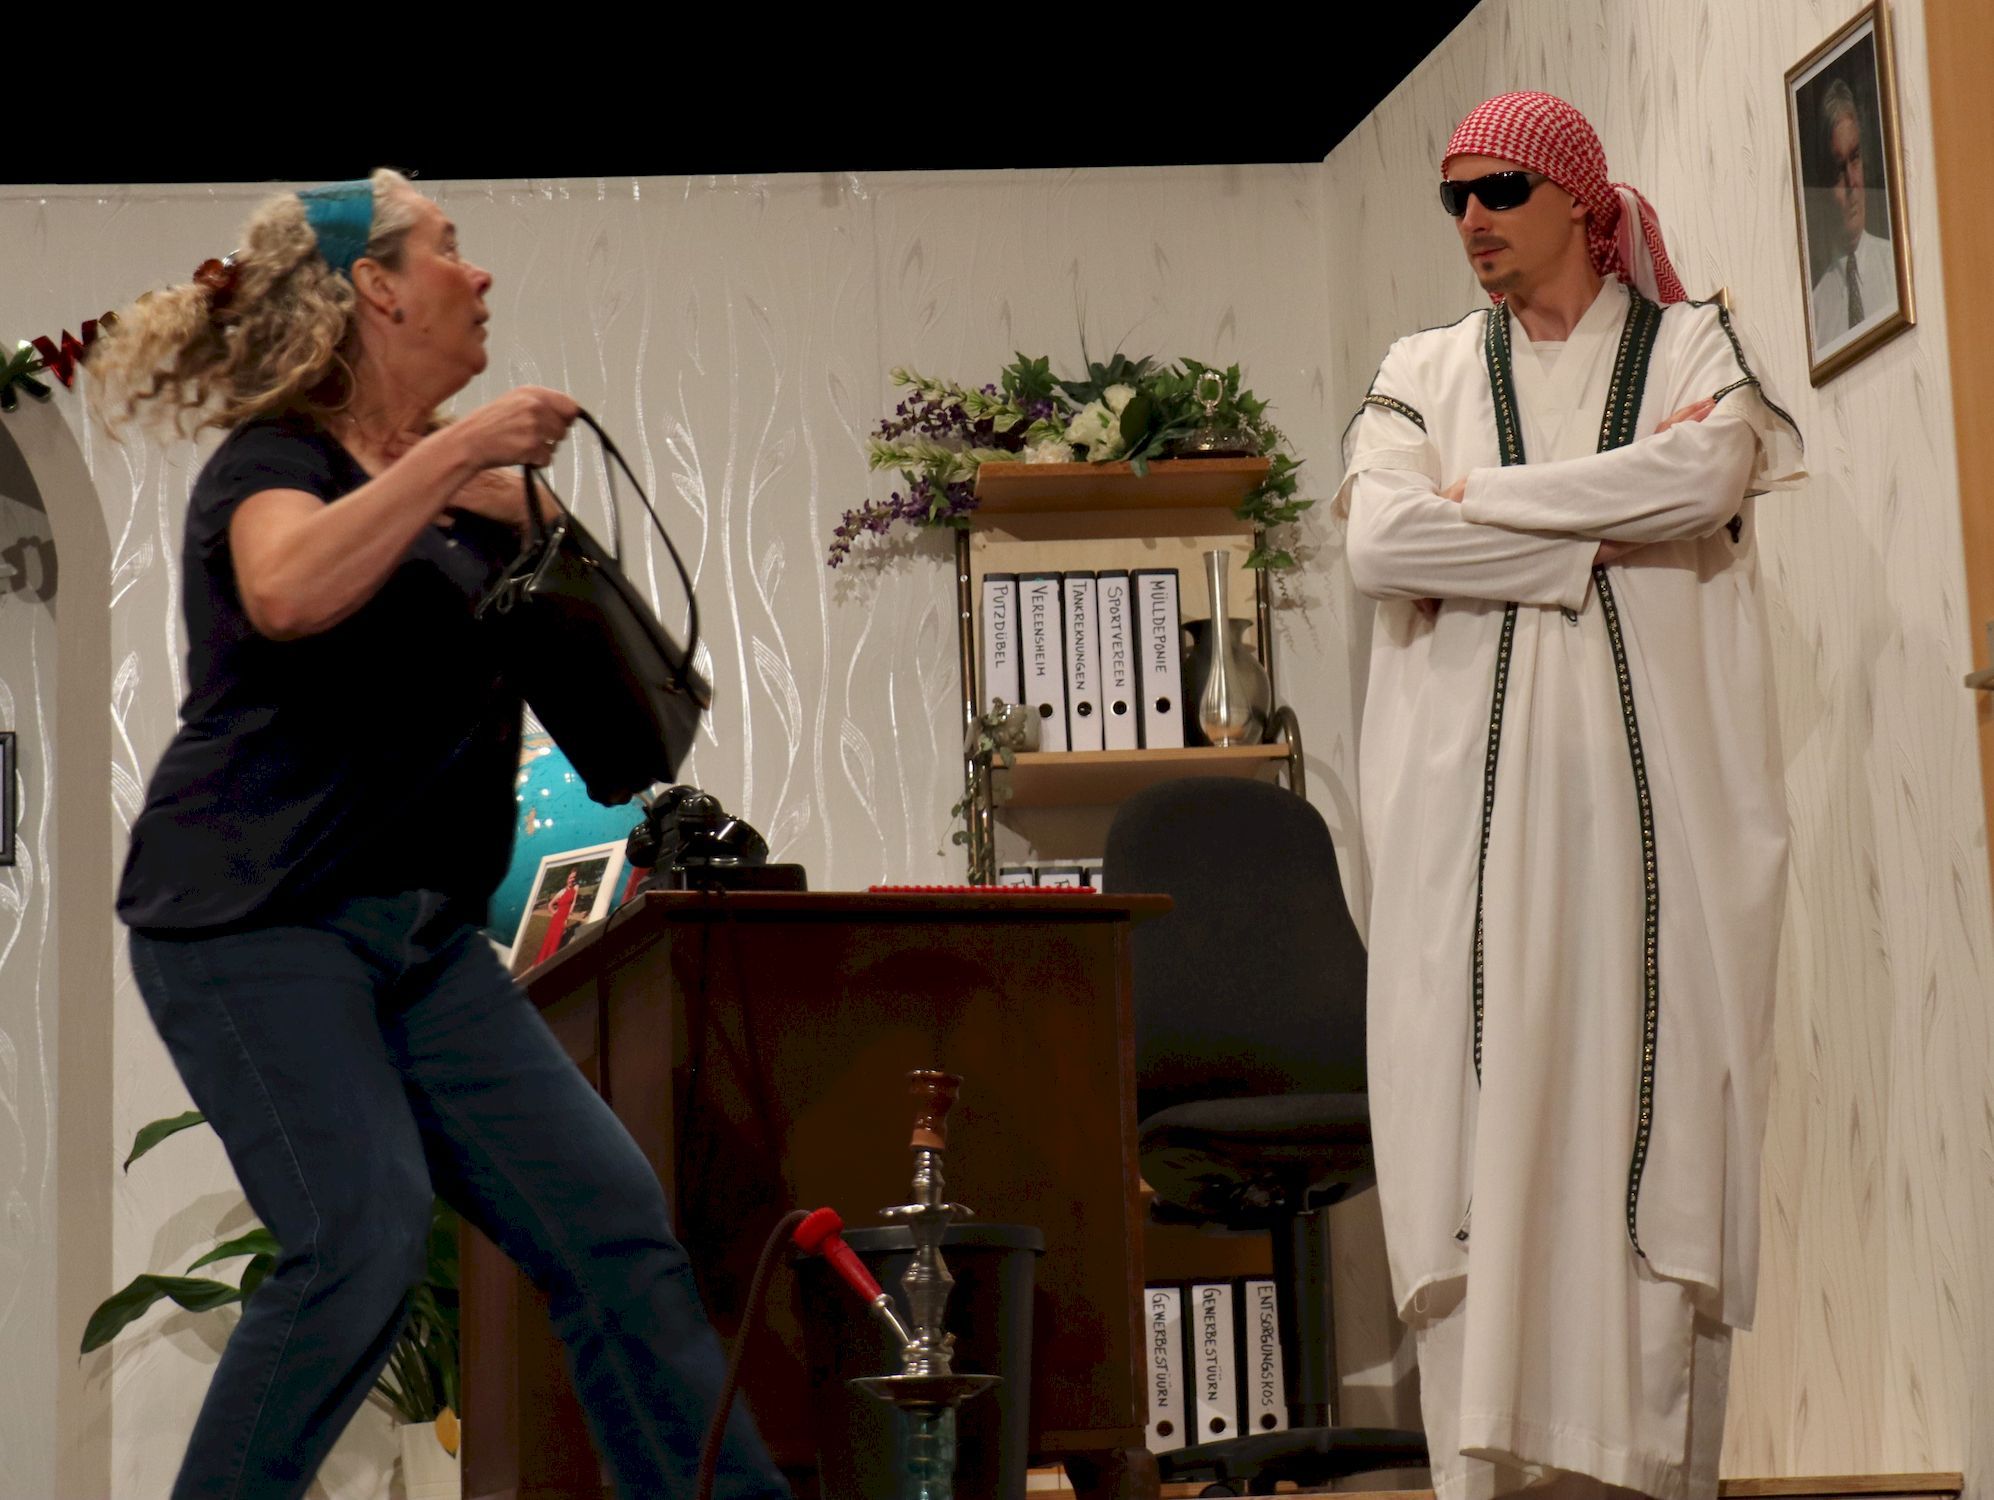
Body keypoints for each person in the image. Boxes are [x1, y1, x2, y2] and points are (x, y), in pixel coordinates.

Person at [97, 171, 788, 1500]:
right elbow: (286, 590)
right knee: (357, 1238)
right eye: (449, 250)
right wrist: (458, 456)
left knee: (608, 1225)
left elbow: (613, 681)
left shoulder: (454, 495)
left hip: (419, 944)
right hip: (256, 926)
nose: (480, 277)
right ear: (376, 286)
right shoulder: (277, 463)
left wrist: (524, 510)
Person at [1337, 93, 1806, 1500]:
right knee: (1475, 1120)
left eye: (1498, 191)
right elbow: (1379, 542)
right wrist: (1590, 539)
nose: (1471, 220)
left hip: (1657, 830)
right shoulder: (1420, 366)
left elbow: (1708, 474)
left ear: (1578, 202)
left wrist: (1478, 509)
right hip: (1466, 841)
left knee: (1649, 1115)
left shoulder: (1689, 344)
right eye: (1453, 198)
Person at [1809, 76, 1893, 347]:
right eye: (1838, 169)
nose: (1852, 182)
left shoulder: (1897, 269)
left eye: (1855, 157)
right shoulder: (1816, 313)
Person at [535, 867, 584, 964]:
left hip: (563, 918)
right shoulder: (561, 891)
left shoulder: (576, 888)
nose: (572, 880)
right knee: (549, 939)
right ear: (567, 879)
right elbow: (550, 905)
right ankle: (541, 961)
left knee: (556, 940)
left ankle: (549, 962)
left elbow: (573, 902)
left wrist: (567, 917)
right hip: (556, 918)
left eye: (574, 878)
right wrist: (554, 912)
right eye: (570, 878)